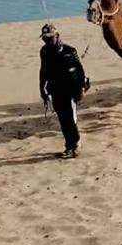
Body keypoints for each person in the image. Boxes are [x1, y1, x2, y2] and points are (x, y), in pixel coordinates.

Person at [39, 22, 89, 158]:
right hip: (55, 90)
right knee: (62, 119)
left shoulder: (70, 51)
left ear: (57, 36)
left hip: (70, 90)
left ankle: (75, 145)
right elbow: (43, 71)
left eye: (50, 38)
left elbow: (80, 71)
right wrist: (42, 90)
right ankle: (69, 146)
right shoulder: (44, 51)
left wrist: (81, 89)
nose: (47, 41)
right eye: (45, 38)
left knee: (70, 119)